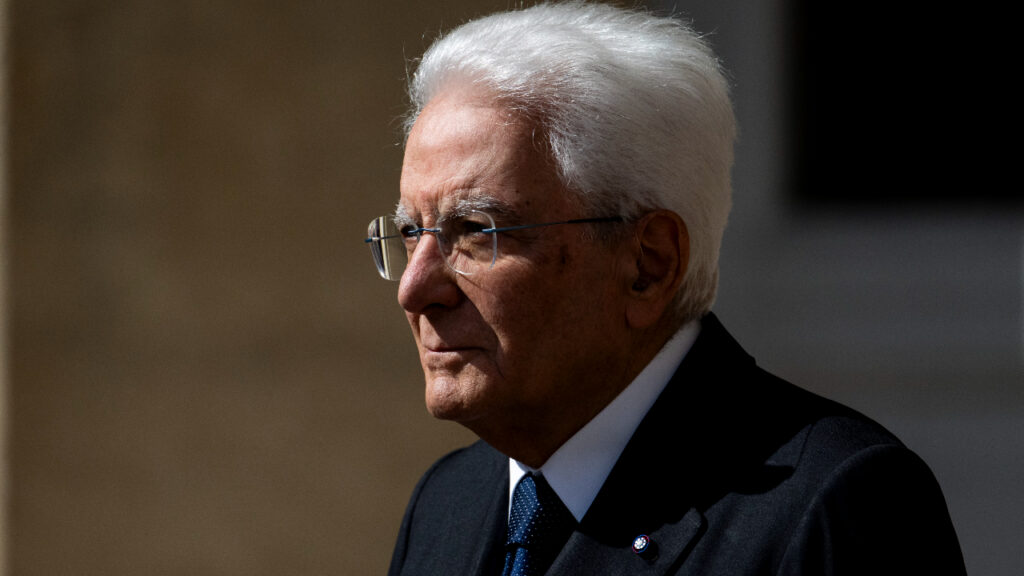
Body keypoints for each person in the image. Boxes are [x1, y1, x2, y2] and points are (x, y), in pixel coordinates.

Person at [366, 2, 966, 575]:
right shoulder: (448, 503)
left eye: (475, 231)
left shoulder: (835, 505)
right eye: (412, 232)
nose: (414, 289)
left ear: (647, 265)